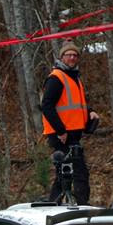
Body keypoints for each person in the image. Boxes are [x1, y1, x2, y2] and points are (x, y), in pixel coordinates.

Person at [41, 39, 100, 205]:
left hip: (72, 135)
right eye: (69, 55)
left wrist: (90, 112)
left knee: (65, 174)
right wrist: (61, 131)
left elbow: (77, 105)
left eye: (75, 55)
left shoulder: (74, 77)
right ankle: (81, 206)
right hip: (62, 136)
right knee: (78, 173)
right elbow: (46, 106)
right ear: (62, 57)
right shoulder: (56, 78)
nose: (73, 58)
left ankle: (54, 205)